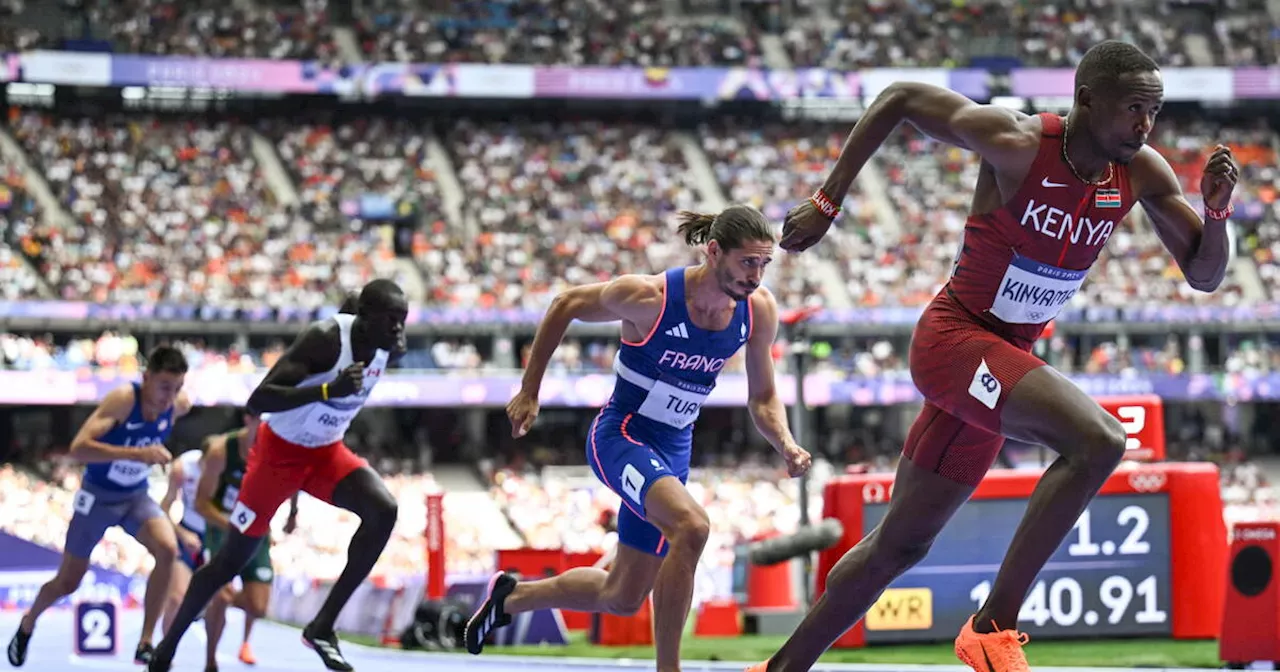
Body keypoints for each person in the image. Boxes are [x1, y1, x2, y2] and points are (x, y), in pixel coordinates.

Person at [747, 40, 1238, 672]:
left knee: (900, 545)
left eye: (1155, 110)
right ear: (1087, 101)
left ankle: (780, 669)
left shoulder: (1142, 172)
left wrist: (1218, 210)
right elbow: (899, 97)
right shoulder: (1018, 142)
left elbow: (1203, 274)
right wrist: (827, 201)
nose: (1145, 125)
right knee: (1100, 442)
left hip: (1000, 360)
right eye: (1132, 108)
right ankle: (992, 626)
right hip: (955, 340)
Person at [463, 205, 813, 672]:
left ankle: (513, 597)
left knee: (622, 596)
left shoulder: (757, 311)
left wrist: (786, 443)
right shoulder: (648, 296)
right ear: (714, 252)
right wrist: (529, 390)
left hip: (673, 450)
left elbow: (764, 397)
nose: (756, 275)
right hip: (621, 436)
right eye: (748, 262)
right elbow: (564, 304)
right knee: (692, 527)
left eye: (764, 264)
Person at [147, 279, 409, 672]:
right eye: (390, 320)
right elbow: (259, 400)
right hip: (278, 455)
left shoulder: (391, 345)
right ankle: (166, 649)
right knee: (228, 563)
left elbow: (387, 346)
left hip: (325, 452)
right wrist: (326, 390)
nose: (398, 331)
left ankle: (322, 627)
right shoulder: (324, 340)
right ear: (364, 319)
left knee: (383, 510)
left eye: (402, 321)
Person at [7, 346, 192, 667]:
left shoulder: (178, 405)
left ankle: (146, 643)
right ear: (145, 378)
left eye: (176, 388)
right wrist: (139, 454)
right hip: (97, 498)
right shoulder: (124, 400)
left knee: (167, 550)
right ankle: (28, 623)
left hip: (135, 496)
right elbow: (79, 449)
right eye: (163, 387)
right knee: (68, 582)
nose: (169, 396)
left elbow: (178, 404)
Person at [194, 409, 295, 671]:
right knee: (222, 596)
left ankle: (205, 596)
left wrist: (293, 513)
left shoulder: (278, 449)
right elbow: (201, 504)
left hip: (258, 530)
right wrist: (232, 525)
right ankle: (210, 660)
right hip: (222, 529)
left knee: (259, 607)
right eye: (263, 423)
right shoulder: (220, 451)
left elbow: (295, 477)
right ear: (248, 420)